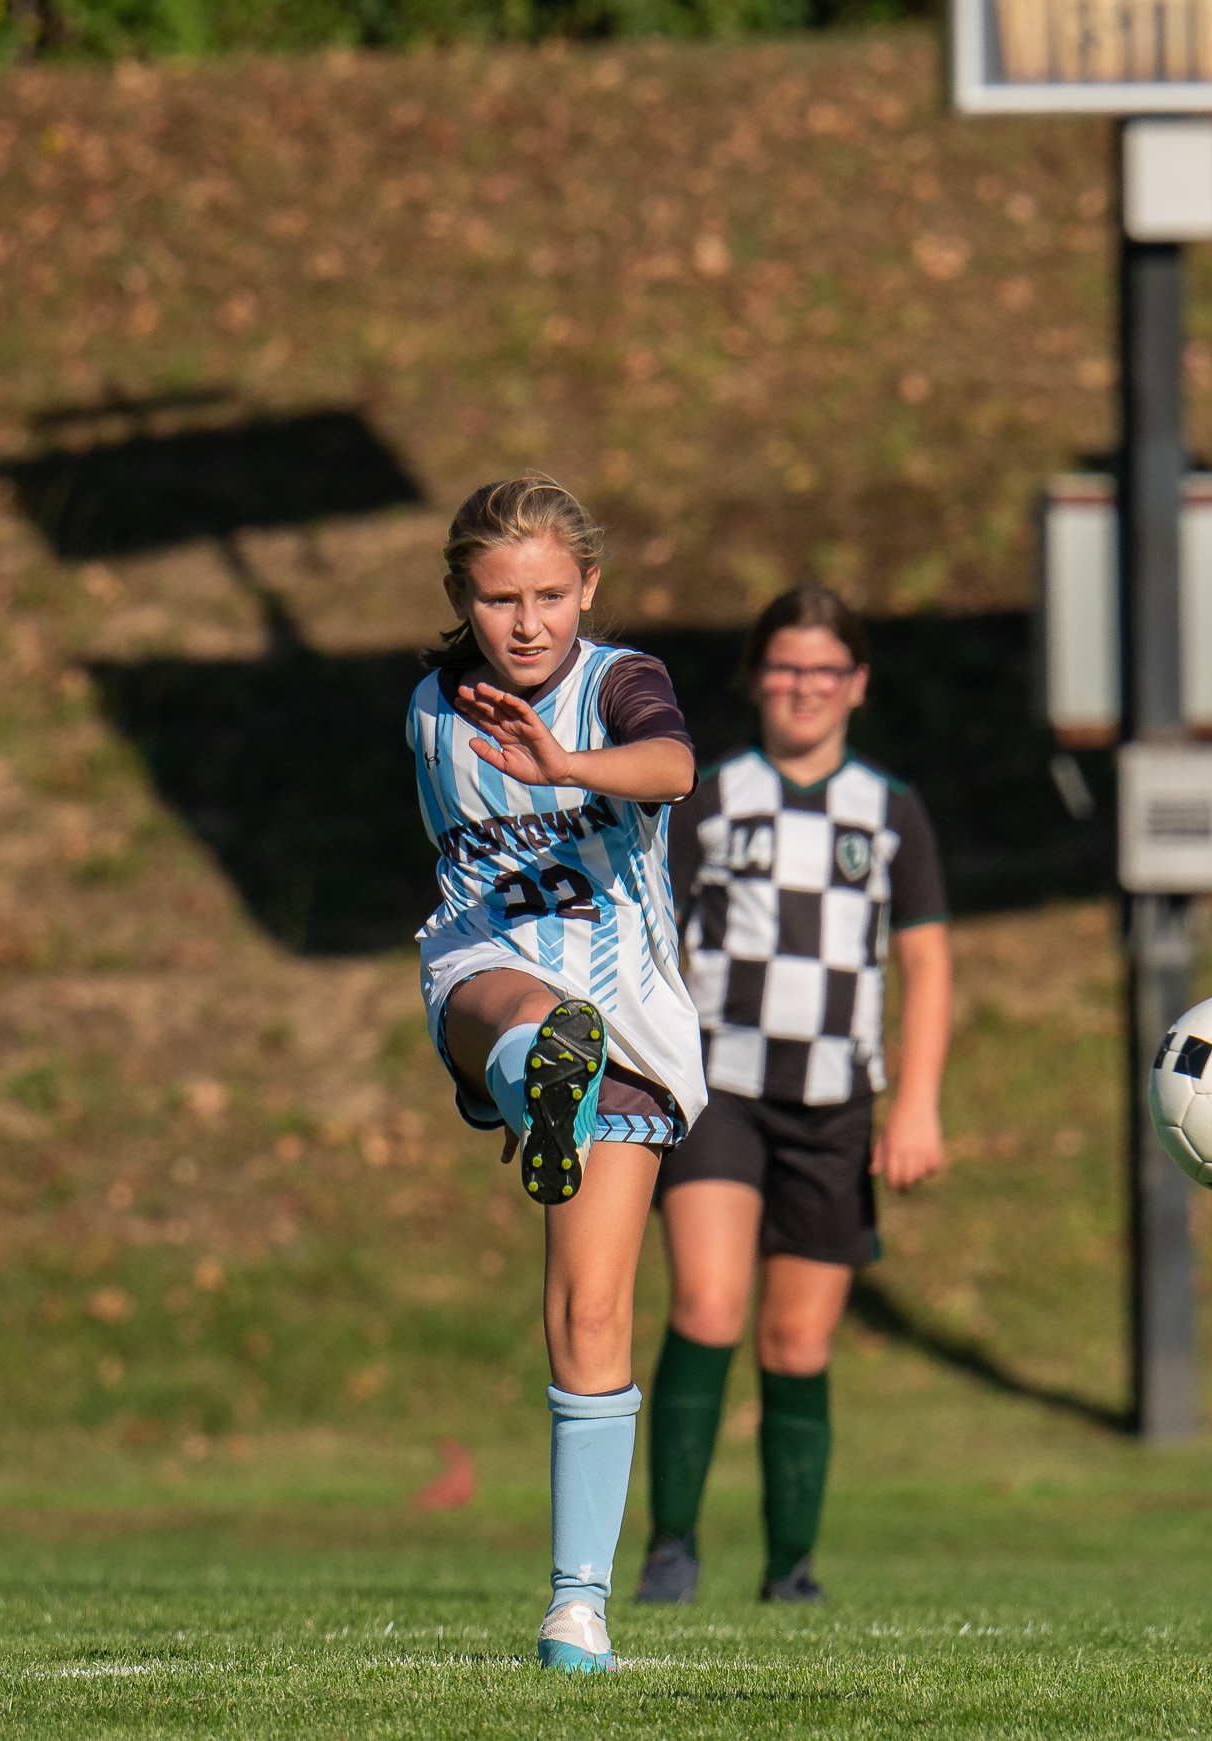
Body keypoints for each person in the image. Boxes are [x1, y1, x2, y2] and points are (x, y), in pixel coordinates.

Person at [407, 474, 705, 1673]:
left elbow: (673, 766)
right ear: (461, 600)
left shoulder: (618, 681)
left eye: (547, 595)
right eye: (497, 598)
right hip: (485, 972)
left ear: (588, 587)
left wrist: (567, 770)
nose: (525, 622)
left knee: (590, 1311)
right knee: (523, 1007)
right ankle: (541, 1068)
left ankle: (575, 1605)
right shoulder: (431, 702)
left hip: (626, 1025)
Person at [636, 582, 953, 1605]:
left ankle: (790, 1570)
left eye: (825, 670)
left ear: (856, 684)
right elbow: (648, 939)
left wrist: (914, 1104)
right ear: (754, 678)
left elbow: (928, 964)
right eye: (784, 667)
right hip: (718, 1087)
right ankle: (670, 1551)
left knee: (799, 1337)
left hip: (834, 1102)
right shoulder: (709, 797)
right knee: (709, 1302)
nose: (803, 688)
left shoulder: (891, 810)